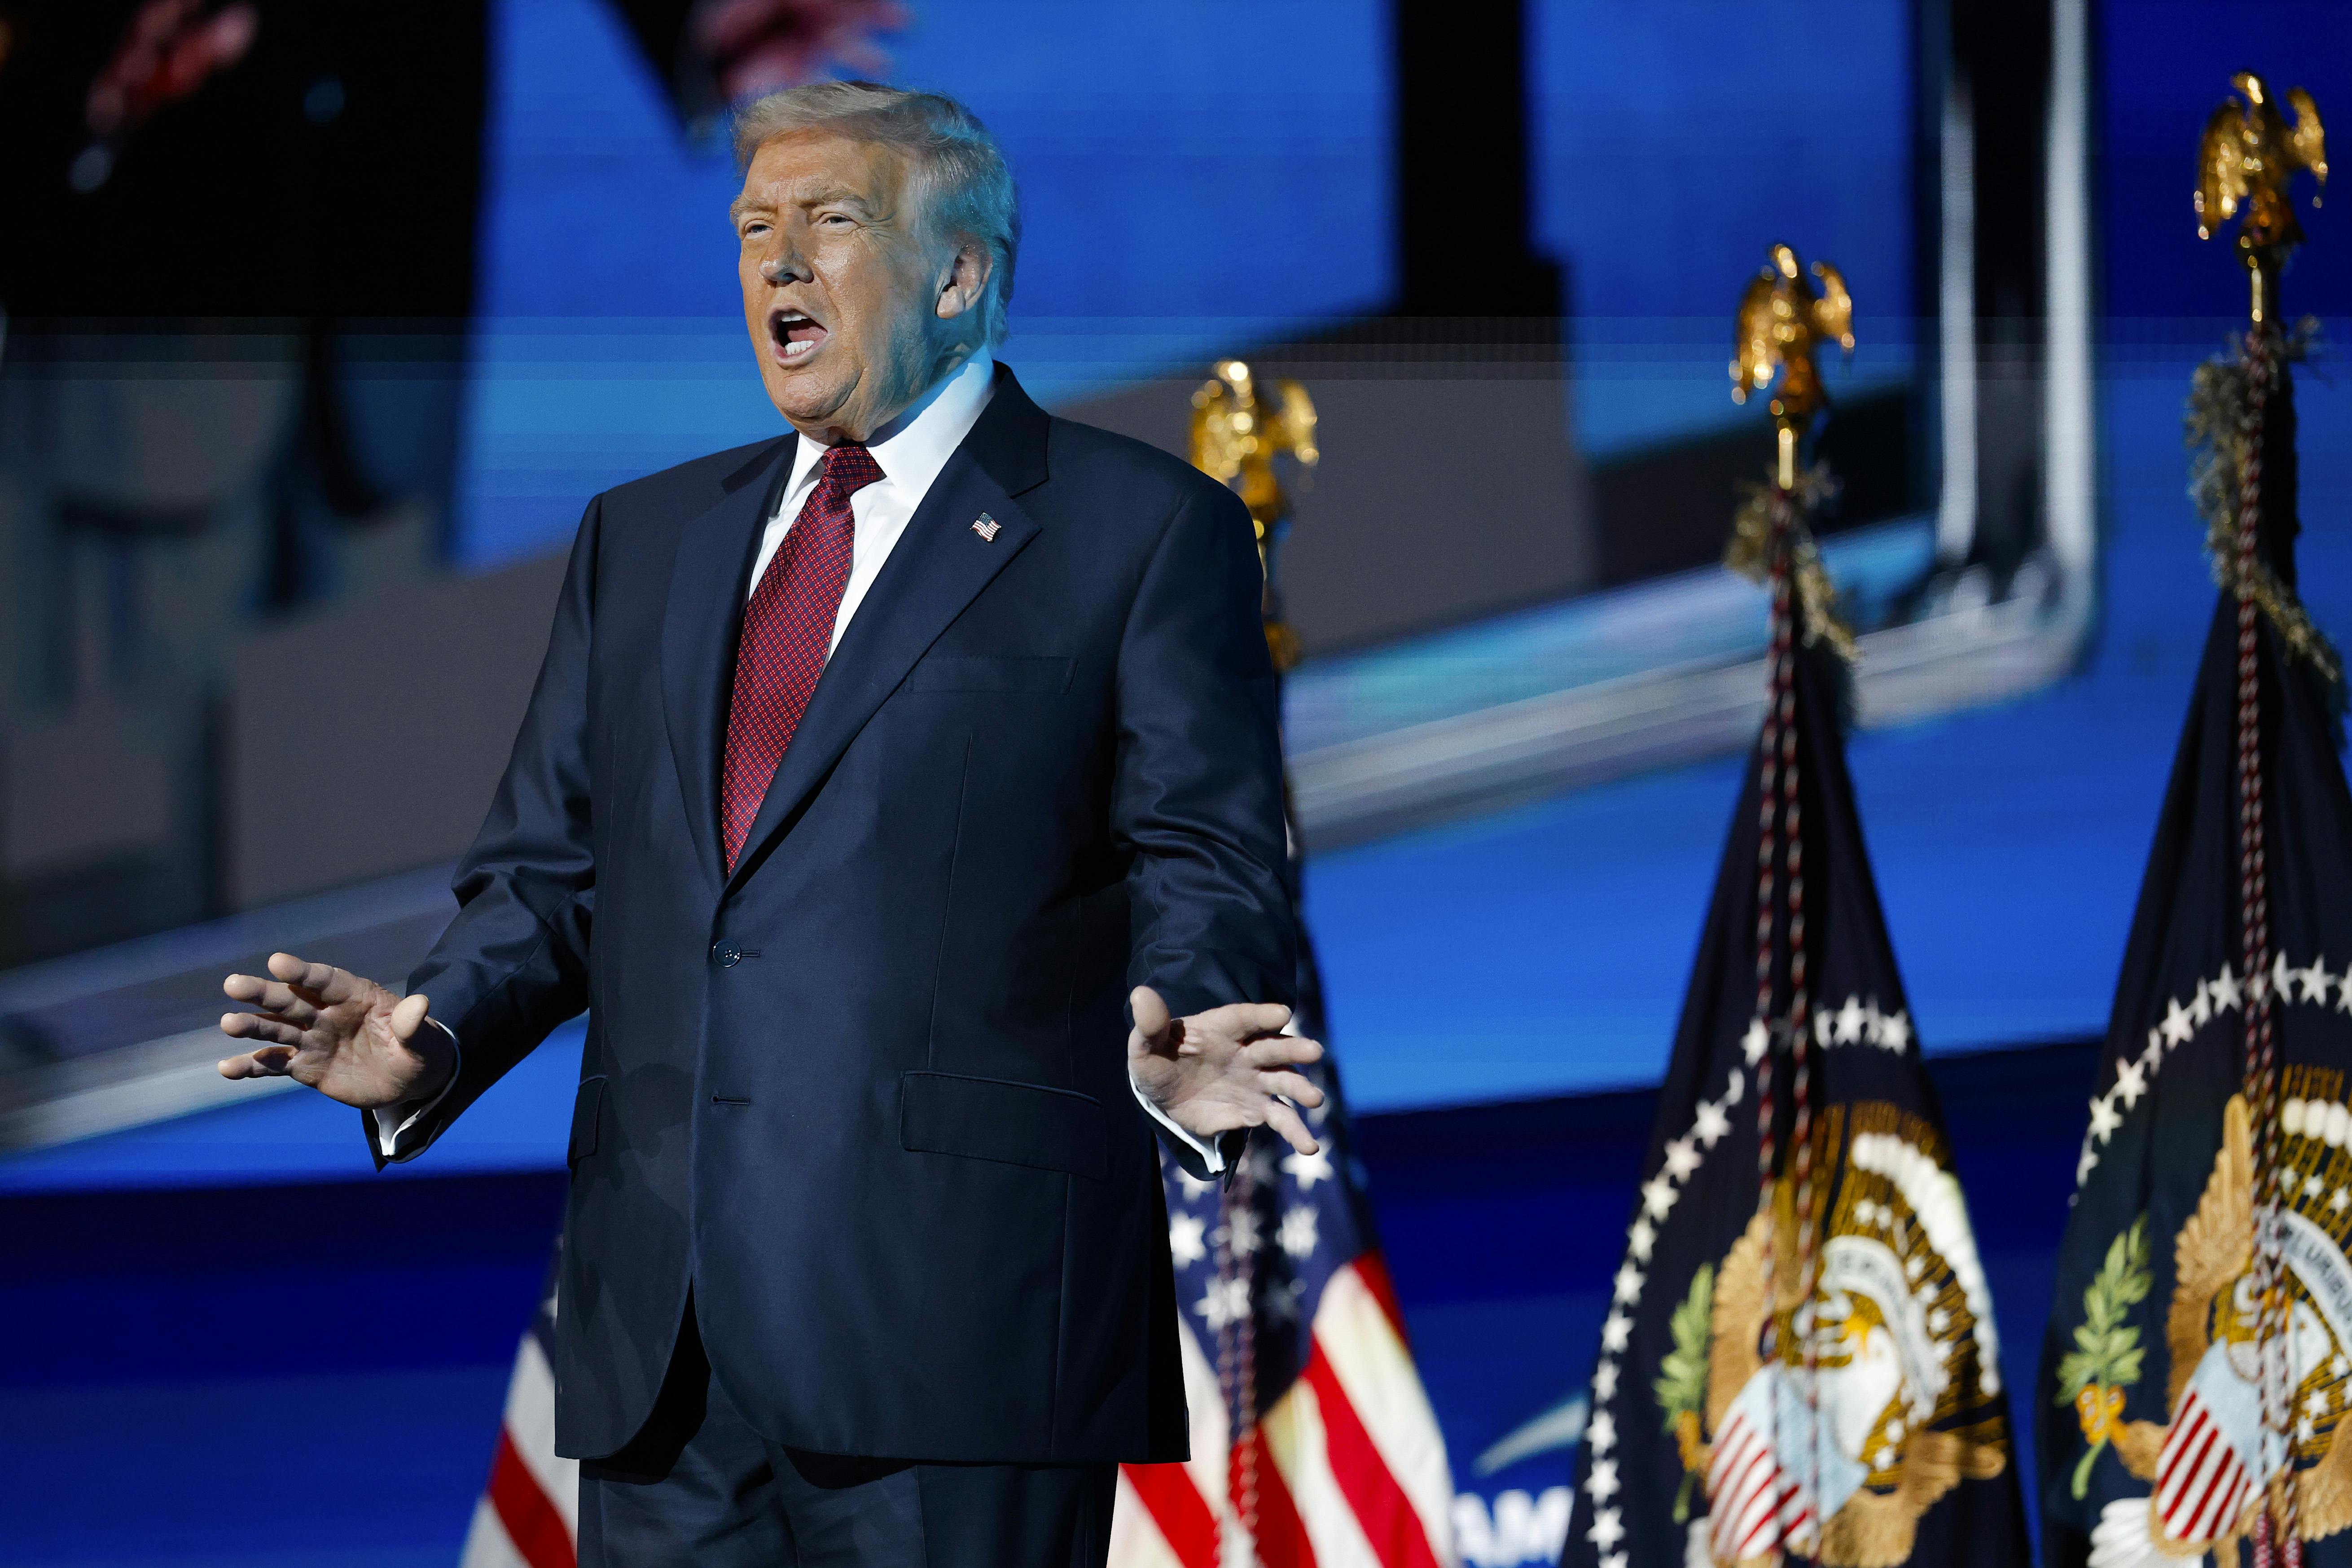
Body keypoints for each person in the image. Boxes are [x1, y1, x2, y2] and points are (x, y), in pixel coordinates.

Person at [213, 81, 1322, 1568]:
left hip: (959, 1334)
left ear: (960, 273)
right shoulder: (646, 537)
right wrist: (434, 1029)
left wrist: (1183, 1021)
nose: (780, 264)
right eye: (755, 230)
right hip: (662, 1349)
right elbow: (554, 872)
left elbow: (1210, 849)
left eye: (832, 223)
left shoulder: (1139, 530)